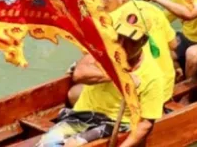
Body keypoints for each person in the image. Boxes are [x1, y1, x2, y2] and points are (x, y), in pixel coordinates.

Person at [36, 11, 164, 147]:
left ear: (143, 41)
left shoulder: (153, 75)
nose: (122, 44)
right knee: (45, 143)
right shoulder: (105, 51)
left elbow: (146, 124)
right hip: (81, 116)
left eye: (130, 40)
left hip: (115, 124)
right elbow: (79, 74)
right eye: (119, 37)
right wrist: (119, 76)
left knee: (72, 145)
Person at [66, 0, 178, 109]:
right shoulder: (153, 9)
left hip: (138, 97)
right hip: (164, 91)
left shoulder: (107, 23)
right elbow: (173, 45)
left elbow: (83, 72)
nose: (98, 1)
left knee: (74, 92)